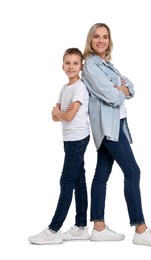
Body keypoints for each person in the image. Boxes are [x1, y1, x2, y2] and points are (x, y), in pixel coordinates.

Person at [81, 22, 151, 247]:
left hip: (114, 124)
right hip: (109, 127)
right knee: (132, 171)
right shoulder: (90, 65)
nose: (101, 40)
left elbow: (132, 87)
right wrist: (120, 89)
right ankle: (140, 228)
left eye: (105, 37)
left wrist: (122, 87)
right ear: (90, 40)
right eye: (97, 37)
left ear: (109, 41)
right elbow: (112, 96)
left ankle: (98, 227)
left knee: (102, 173)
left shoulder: (106, 64)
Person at [28, 48, 90, 245]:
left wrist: (59, 111)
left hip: (78, 139)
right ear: (62, 65)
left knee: (66, 182)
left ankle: (54, 230)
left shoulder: (80, 87)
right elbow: (55, 118)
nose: (71, 67)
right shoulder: (65, 89)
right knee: (78, 180)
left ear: (81, 66)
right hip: (69, 139)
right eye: (67, 63)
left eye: (75, 63)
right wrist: (59, 112)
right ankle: (81, 227)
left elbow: (67, 116)